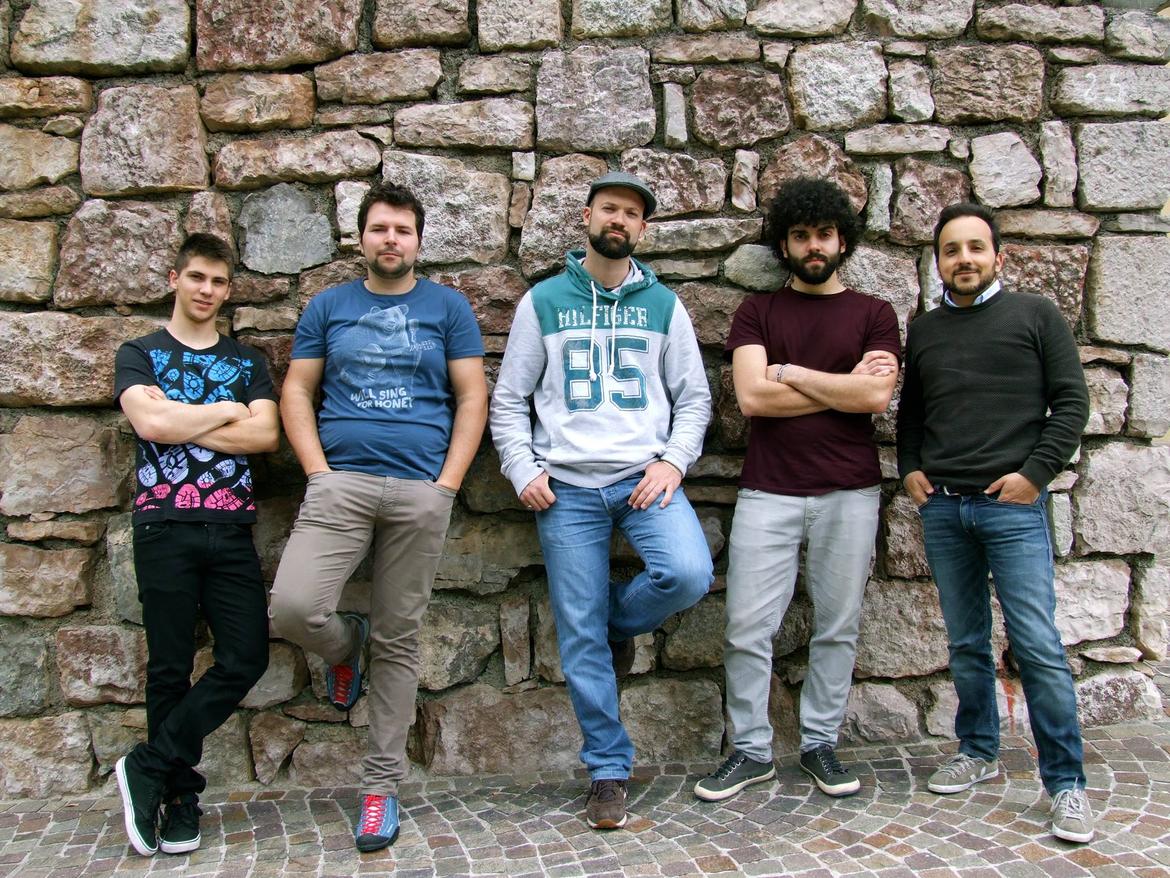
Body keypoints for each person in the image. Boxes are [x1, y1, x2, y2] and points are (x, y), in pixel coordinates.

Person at [268, 182, 488, 852]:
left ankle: (380, 789)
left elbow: (472, 396)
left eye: (402, 230)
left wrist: (446, 487)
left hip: (421, 492)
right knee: (293, 608)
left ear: (418, 241)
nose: (391, 239)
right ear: (360, 237)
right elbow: (297, 389)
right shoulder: (329, 306)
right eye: (379, 228)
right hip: (341, 486)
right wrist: (317, 472)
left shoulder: (447, 307)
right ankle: (344, 645)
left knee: (400, 640)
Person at [491, 171, 714, 830]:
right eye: (609, 208)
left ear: (643, 229)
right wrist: (521, 468)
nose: (619, 219)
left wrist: (673, 461)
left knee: (687, 573)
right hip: (565, 489)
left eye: (631, 213)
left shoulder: (665, 306)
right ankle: (608, 770)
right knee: (578, 634)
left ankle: (612, 621)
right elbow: (509, 399)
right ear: (586, 217)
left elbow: (694, 398)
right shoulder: (543, 302)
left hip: (642, 478)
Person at [694, 178, 900, 803]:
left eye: (825, 234)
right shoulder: (758, 312)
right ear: (783, 245)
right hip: (769, 492)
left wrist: (791, 372)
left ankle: (820, 745)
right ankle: (751, 751)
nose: (814, 246)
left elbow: (876, 396)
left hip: (851, 492)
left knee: (837, 625)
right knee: (746, 628)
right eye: (801, 235)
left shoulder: (874, 313)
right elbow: (754, 399)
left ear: (843, 241)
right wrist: (840, 385)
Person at [897, 203, 1093, 843]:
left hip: (1012, 508)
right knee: (965, 642)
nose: (964, 259)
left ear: (998, 256)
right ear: (938, 262)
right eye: (951, 250)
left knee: (1037, 645)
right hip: (945, 508)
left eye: (976, 247)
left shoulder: (1035, 315)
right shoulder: (925, 330)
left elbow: (1072, 403)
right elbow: (913, 414)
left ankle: (1066, 785)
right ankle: (978, 751)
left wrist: (1034, 475)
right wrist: (909, 468)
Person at [112, 233, 279, 857]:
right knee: (169, 666)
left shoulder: (246, 360)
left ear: (228, 291)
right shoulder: (140, 353)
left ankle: (147, 764)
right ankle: (178, 798)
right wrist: (229, 411)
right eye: (197, 277)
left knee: (246, 657)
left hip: (231, 527)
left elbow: (265, 437)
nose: (207, 290)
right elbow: (150, 423)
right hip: (164, 525)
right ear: (174, 279)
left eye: (218, 281)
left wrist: (183, 418)